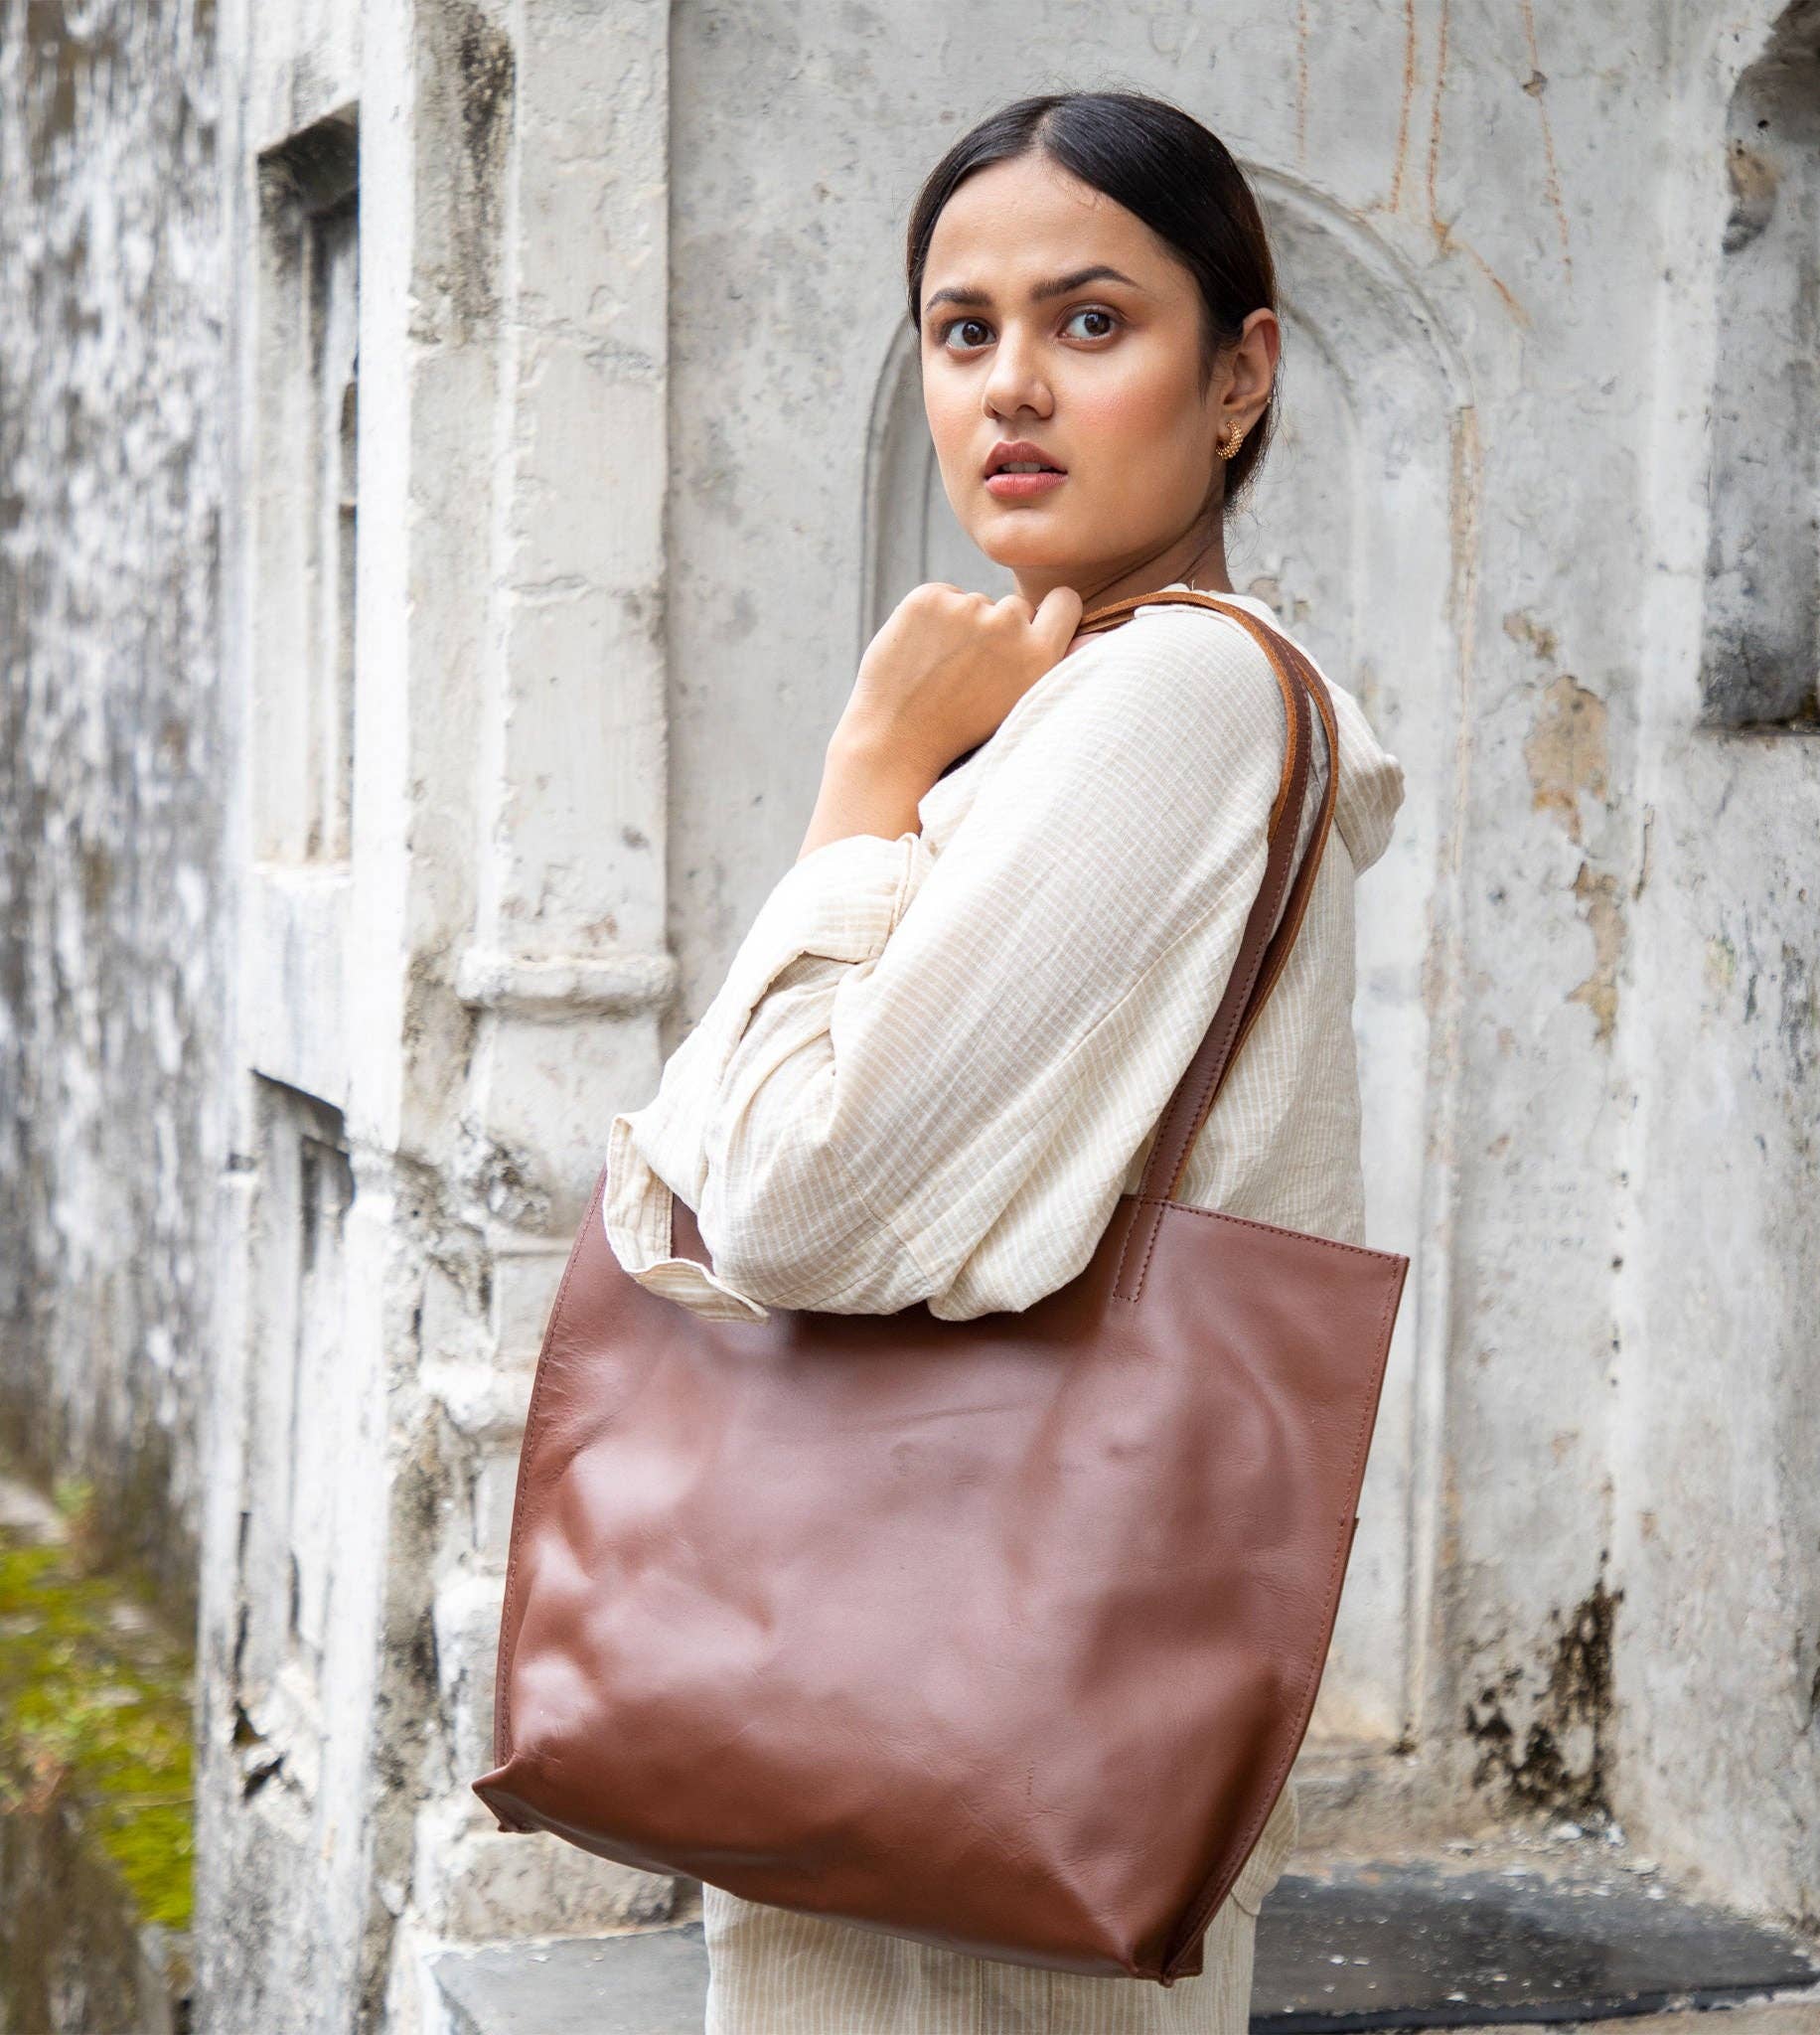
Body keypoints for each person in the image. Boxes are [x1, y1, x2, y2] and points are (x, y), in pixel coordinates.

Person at [599, 86, 1407, 2035]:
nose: (1010, 388)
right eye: (964, 332)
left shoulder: (1179, 694)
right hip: (958, 1727)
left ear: (1239, 379)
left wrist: (867, 774)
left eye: (1093, 321)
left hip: (975, 1792)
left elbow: (782, 1201)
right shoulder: (1085, 707)